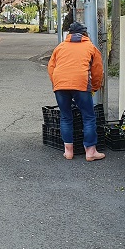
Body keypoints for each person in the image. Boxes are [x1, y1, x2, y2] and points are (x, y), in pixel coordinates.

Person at [47, 21, 105, 161]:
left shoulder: (60, 47)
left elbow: (51, 68)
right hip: (81, 83)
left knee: (66, 117)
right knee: (88, 117)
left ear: (70, 34)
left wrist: (57, 84)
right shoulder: (90, 47)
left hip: (60, 84)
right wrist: (95, 87)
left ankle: (68, 152)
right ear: (85, 34)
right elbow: (98, 71)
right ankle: (90, 152)